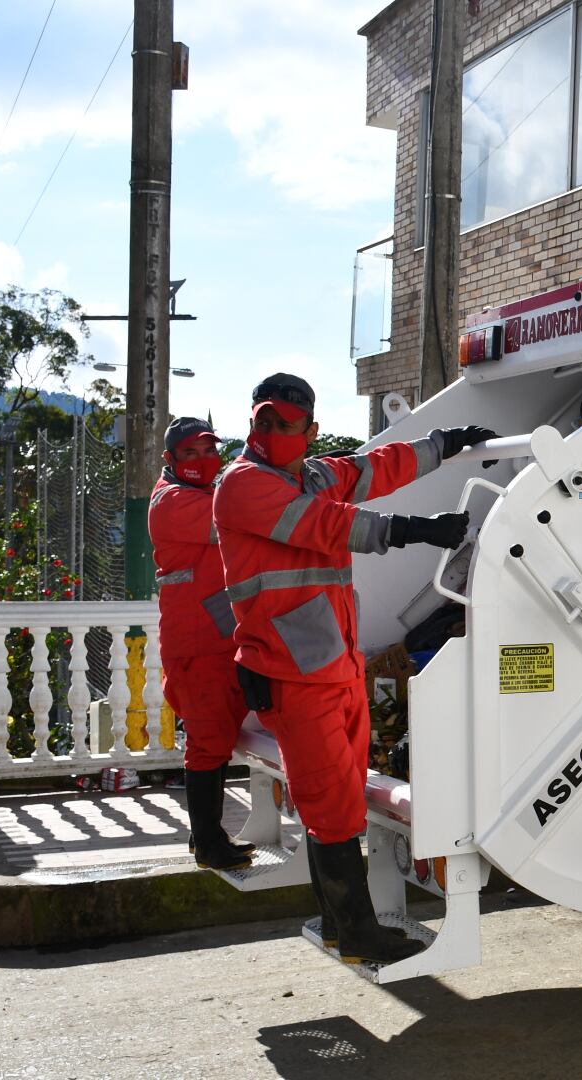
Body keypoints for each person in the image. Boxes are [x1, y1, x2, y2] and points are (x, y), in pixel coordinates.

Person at [214, 373, 492, 964]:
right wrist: (419, 529)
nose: (269, 432)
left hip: (334, 665)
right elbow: (333, 526)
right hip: (293, 674)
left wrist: (445, 443)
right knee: (331, 806)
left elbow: (374, 469)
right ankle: (360, 934)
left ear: (309, 430)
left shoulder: (311, 473)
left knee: (337, 801)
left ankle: (343, 926)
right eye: (262, 420)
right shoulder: (241, 486)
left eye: (284, 424)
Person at [150, 416, 254, 871]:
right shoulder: (171, 502)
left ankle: (206, 837)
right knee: (208, 743)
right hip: (196, 645)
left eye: (208, 451)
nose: (201, 460)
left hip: (217, 640)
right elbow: (236, 519)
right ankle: (210, 845)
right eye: (189, 453)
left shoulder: (200, 493)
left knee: (218, 739)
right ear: (170, 460)